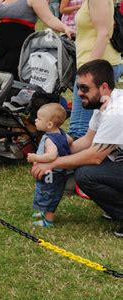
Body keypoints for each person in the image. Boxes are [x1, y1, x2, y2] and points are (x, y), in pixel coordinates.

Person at [31, 59, 123, 237]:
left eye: (84, 88)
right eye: (78, 87)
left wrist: (52, 164)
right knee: (87, 170)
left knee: (86, 174)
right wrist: (51, 152)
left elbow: (94, 156)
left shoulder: (115, 111)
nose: (79, 93)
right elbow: (87, 141)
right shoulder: (103, 104)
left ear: (103, 87)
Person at [67, 0, 122, 139]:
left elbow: (103, 33)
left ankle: (74, 167)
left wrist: (88, 72)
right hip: (97, 65)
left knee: (80, 128)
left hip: (97, 66)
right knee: (94, 127)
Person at [26, 103, 73, 227]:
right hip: (58, 172)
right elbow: (70, 141)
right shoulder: (61, 133)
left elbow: (51, 156)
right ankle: (44, 212)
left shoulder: (49, 139)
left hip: (52, 174)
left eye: (39, 119)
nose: (35, 120)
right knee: (47, 192)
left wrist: (35, 157)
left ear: (49, 124)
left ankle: (48, 220)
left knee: (48, 193)